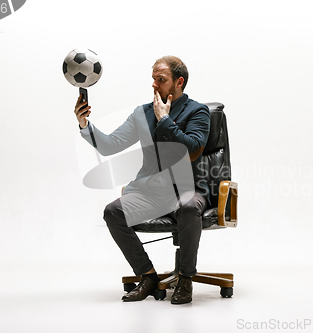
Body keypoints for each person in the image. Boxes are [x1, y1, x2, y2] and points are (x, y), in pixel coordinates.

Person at [74, 56, 211, 304]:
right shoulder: (141, 113)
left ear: (179, 82)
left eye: (162, 80)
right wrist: (85, 125)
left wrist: (165, 120)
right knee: (113, 212)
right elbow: (110, 145)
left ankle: (185, 278)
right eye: (153, 80)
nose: (155, 85)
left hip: (185, 190)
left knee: (190, 208)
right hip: (150, 191)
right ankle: (147, 276)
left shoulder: (197, 111)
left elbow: (192, 150)